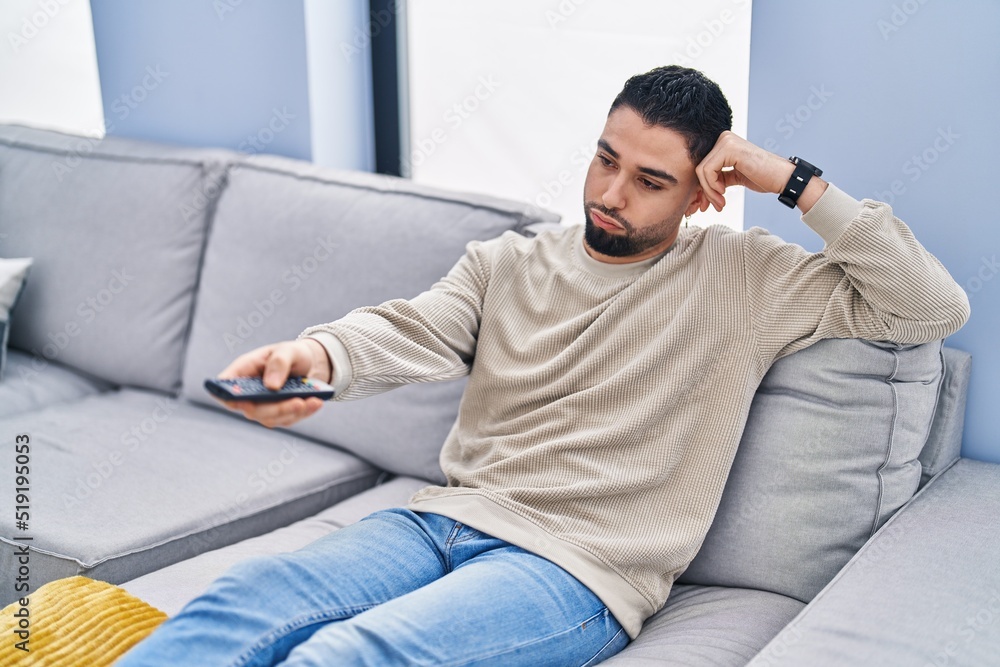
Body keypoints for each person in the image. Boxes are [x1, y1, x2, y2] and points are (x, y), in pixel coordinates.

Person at [116, 65, 969, 666]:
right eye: (605, 158)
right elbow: (411, 327)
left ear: (704, 190)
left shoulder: (744, 277)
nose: (609, 194)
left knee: (347, 655)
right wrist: (317, 354)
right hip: (438, 522)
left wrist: (786, 178)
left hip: (574, 570)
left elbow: (929, 306)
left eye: (648, 180)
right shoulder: (508, 264)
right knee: (239, 603)